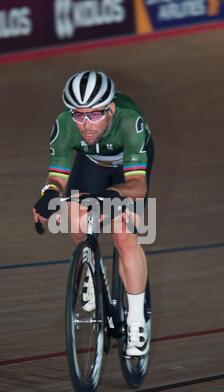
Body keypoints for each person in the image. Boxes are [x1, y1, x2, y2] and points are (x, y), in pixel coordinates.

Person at [33, 70, 155, 356]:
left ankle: (137, 321)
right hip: (92, 163)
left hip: (129, 168)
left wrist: (111, 197)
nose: (86, 125)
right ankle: (91, 271)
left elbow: (138, 186)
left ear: (110, 109)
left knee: (124, 233)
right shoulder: (65, 126)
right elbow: (57, 178)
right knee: (73, 219)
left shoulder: (129, 121)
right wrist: (48, 194)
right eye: (79, 115)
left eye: (95, 115)